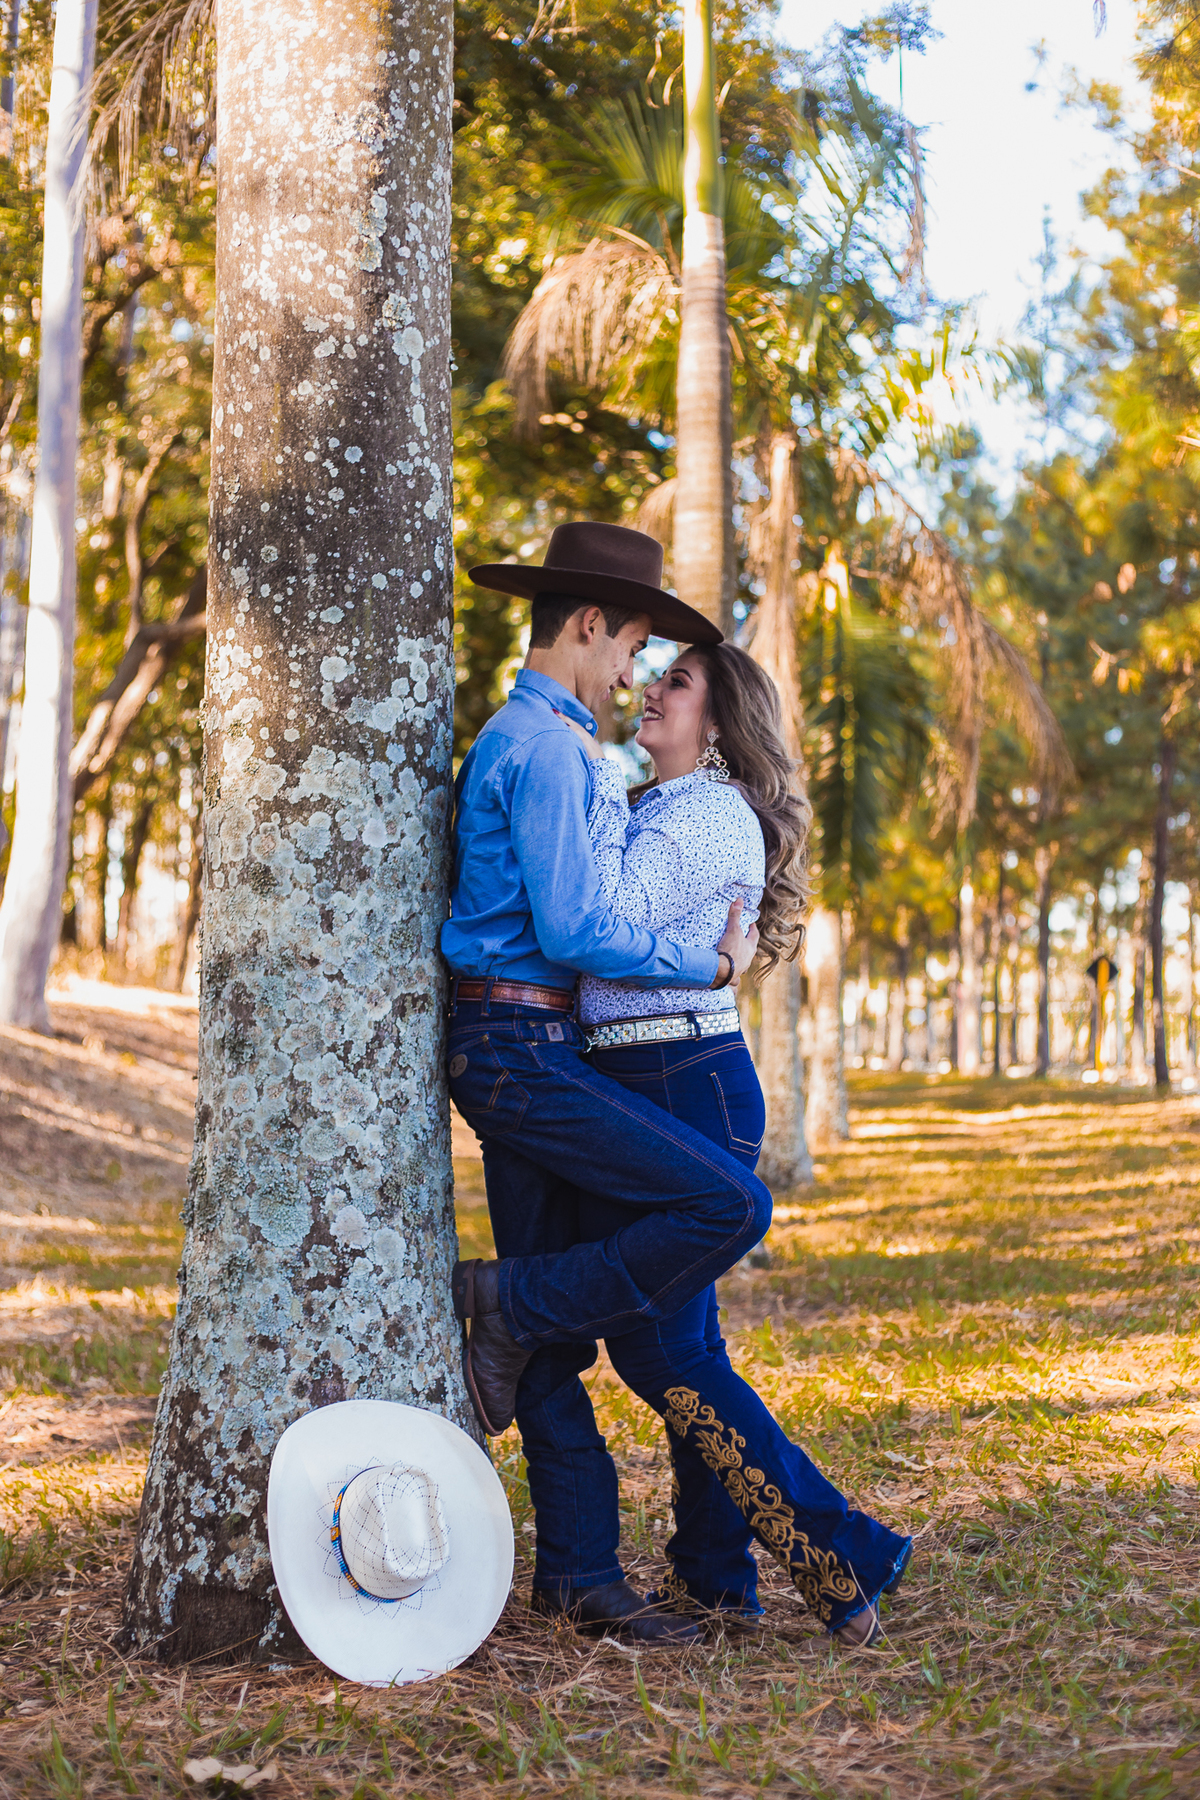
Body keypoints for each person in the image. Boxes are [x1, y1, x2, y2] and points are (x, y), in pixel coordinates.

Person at [443, 521, 771, 1645]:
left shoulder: (565, 746)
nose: (634, 673)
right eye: (633, 647)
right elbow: (580, 925)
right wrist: (713, 963)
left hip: (538, 1046)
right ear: (588, 626)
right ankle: (503, 1301)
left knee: (546, 1334)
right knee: (725, 1204)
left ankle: (580, 1571)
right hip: (517, 1048)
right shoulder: (543, 748)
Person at [566, 640, 912, 1646]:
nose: (651, 689)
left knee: (658, 1349)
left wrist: (586, 771)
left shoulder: (705, 811)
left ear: (718, 725)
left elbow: (605, 922)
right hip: (659, 1076)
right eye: (654, 674)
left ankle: (834, 1549)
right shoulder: (663, 806)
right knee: (688, 1346)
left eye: (677, 682)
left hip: (678, 1083)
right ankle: (717, 1577)